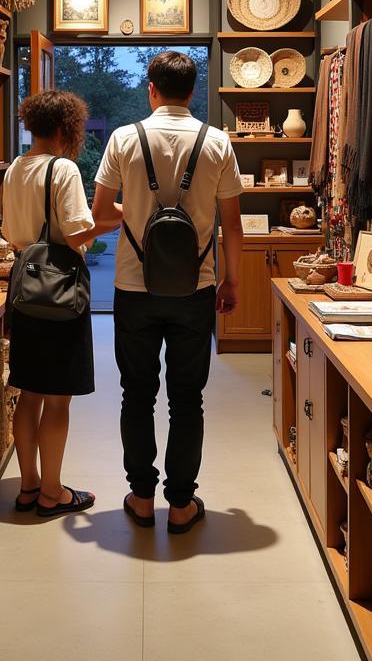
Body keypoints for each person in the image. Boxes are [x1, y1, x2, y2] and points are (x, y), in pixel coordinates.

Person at [92, 51, 244, 533]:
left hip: (133, 288)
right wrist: (231, 279)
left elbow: (100, 215)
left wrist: (136, 214)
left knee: (136, 394)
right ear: (192, 91)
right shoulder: (217, 141)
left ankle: (141, 498)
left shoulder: (123, 138)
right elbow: (232, 225)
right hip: (195, 289)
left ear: (151, 89)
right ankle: (181, 505)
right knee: (187, 397)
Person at [2, 89, 120, 518]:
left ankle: (29, 486)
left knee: (28, 392)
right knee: (57, 400)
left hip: (24, 289)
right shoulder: (63, 169)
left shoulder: (16, 167)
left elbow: (14, 232)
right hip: (59, 293)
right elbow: (75, 236)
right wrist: (120, 217)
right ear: (68, 128)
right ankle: (54, 493)